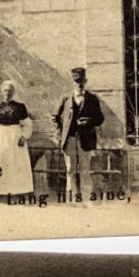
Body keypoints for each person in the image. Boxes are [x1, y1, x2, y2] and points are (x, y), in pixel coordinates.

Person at [53, 67, 105, 203]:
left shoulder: (92, 99)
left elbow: (100, 118)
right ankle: (72, 198)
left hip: (86, 139)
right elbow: (54, 117)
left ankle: (87, 198)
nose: (79, 84)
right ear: (73, 82)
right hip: (69, 139)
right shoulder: (65, 98)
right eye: (77, 81)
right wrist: (59, 136)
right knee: (70, 169)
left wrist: (89, 121)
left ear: (85, 81)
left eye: (82, 81)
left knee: (85, 169)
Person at [0, 79, 34, 199]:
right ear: (1, 92)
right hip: (0, 137)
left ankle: (19, 189)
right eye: (5, 90)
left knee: (17, 162)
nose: (7, 93)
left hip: (15, 136)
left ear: (13, 92)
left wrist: (23, 136)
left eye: (10, 90)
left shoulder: (20, 107)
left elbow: (27, 124)